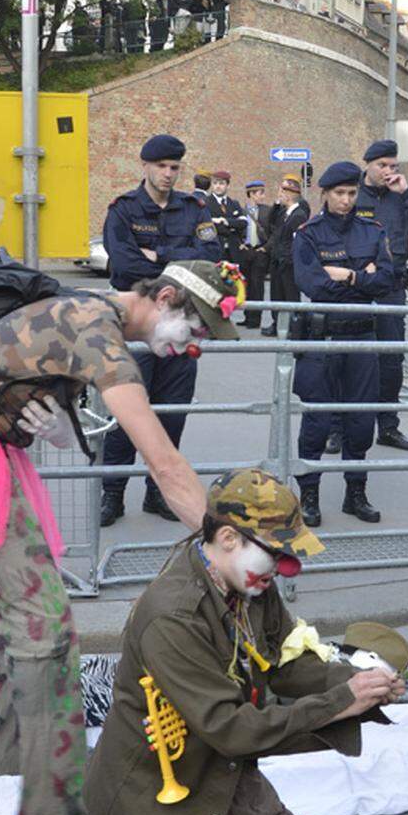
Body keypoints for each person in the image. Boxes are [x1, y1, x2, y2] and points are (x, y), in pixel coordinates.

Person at [0, 260, 239, 815]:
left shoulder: (92, 309)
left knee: (24, 629)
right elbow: (163, 462)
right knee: (44, 633)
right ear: (163, 299)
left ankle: (11, 769)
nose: (195, 348)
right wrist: (224, 545)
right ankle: (52, 810)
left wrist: (56, 427)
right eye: (196, 330)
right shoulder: (101, 333)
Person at [43, 468, 396, 815]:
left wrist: (357, 682)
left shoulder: (251, 585)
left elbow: (283, 664)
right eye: (277, 552)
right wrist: (342, 701)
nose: (287, 567)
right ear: (229, 538)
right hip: (157, 782)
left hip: (215, 762)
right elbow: (230, 728)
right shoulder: (173, 617)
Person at [99, 135, 224, 527]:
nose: (169, 174)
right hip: (134, 328)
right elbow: (122, 261)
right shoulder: (122, 210)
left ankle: (159, 494)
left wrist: (159, 257)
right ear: (145, 166)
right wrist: (179, 261)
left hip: (179, 326)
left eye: (174, 168)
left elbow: (212, 259)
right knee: (124, 415)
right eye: (162, 167)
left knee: (171, 411)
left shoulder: (194, 207)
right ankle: (113, 494)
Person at [291, 161, 393, 528]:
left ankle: (355, 493)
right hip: (322, 338)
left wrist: (345, 275)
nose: (347, 200)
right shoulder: (309, 234)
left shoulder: (372, 231)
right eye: (339, 193)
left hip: (362, 338)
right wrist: (359, 277)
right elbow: (311, 283)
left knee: (361, 421)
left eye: (352, 193)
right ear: (325, 194)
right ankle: (309, 495)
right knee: (317, 421)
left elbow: (386, 280)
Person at [354, 138, 408, 450]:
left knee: (391, 360)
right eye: (383, 166)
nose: (388, 171)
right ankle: (339, 425)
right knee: (350, 356)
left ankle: (387, 426)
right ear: (368, 165)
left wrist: (407, 193)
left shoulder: (402, 196)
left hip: (391, 288)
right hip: (357, 287)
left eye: (393, 166)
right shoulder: (352, 193)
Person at [264, 173, 309, 338]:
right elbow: (270, 223)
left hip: (287, 264)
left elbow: (296, 242)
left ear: (290, 194)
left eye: (282, 192)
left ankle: (294, 327)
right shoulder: (285, 212)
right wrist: (276, 203)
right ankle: (278, 324)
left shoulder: (299, 215)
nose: (279, 194)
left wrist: (288, 259)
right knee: (277, 296)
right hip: (278, 261)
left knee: (290, 296)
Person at [237, 178, 272, 329]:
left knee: (257, 286)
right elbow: (236, 230)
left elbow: (273, 232)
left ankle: (255, 319)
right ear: (251, 194)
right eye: (259, 193)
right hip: (246, 251)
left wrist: (266, 248)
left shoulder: (267, 211)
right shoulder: (241, 211)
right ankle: (247, 316)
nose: (262, 196)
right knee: (245, 286)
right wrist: (239, 244)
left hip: (259, 250)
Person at [205, 171, 244, 263]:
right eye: (215, 183)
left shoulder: (234, 203)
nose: (218, 186)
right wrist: (232, 227)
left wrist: (226, 221)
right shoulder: (205, 203)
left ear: (228, 185)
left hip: (233, 251)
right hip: (214, 250)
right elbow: (204, 226)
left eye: (221, 183)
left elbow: (243, 223)